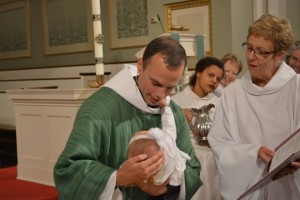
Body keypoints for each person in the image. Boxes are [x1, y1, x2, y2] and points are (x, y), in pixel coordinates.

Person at [53, 36, 202, 200]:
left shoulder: (173, 112)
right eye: (156, 83)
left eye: (170, 88)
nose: (161, 95)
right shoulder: (100, 108)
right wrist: (117, 177)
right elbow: (68, 170)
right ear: (140, 65)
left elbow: (193, 170)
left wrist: (167, 183)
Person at [208, 14, 300, 200]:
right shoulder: (233, 93)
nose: (251, 57)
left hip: (288, 187)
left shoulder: (296, 88)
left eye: (261, 52)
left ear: (280, 55)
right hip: (248, 189)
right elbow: (220, 144)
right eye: (249, 48)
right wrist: (253, 155)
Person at [171, 56, 224, 200]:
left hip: (212, 163)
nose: (214, 81)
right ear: (199, 72)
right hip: (186, 160)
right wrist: (180, 119)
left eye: (218, 79)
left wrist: (196, 120)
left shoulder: (220, 104)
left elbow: (223, 136)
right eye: (211, 75)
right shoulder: (176, 100)